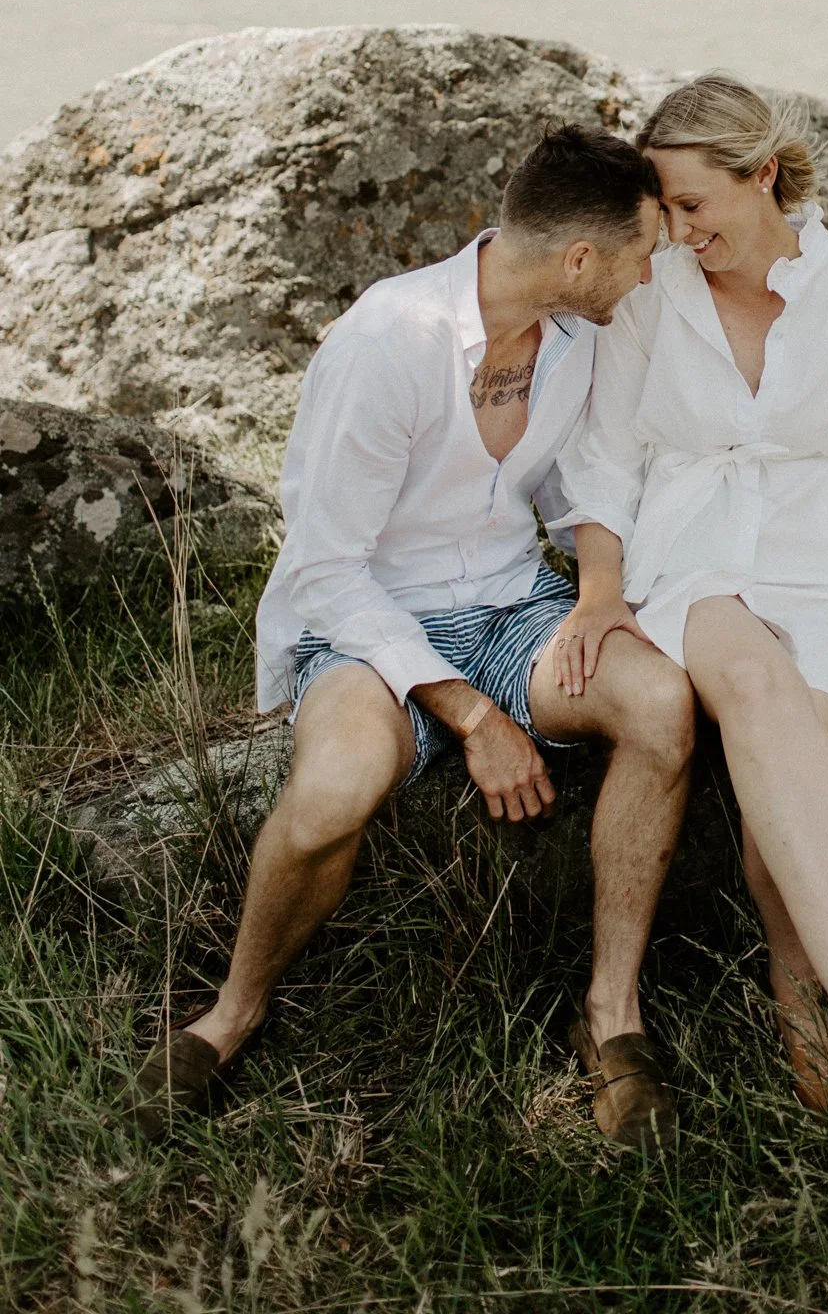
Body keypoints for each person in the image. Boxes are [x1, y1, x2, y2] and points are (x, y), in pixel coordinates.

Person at [132, 124, 694, 1154]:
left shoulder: (580, 337)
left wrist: (596, 594)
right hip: (370, 626)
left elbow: (577, 485)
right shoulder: (388, 340)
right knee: (334, 789)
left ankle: (610, 1014)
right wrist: (471, 715)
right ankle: (232, 1012)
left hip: (515, 605)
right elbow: (326, 569)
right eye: (642, 252)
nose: (649, 273)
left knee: (660, 702)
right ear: (581, 258)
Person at [555, 75, 828, 1212]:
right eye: (665, 213)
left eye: (694, 206)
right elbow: (605, 461)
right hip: (690, 557)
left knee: (783, 773)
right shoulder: (650, 294)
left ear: (765, 176)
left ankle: (796, 989)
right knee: (745, 676)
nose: (678, 234)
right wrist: (598, 594)